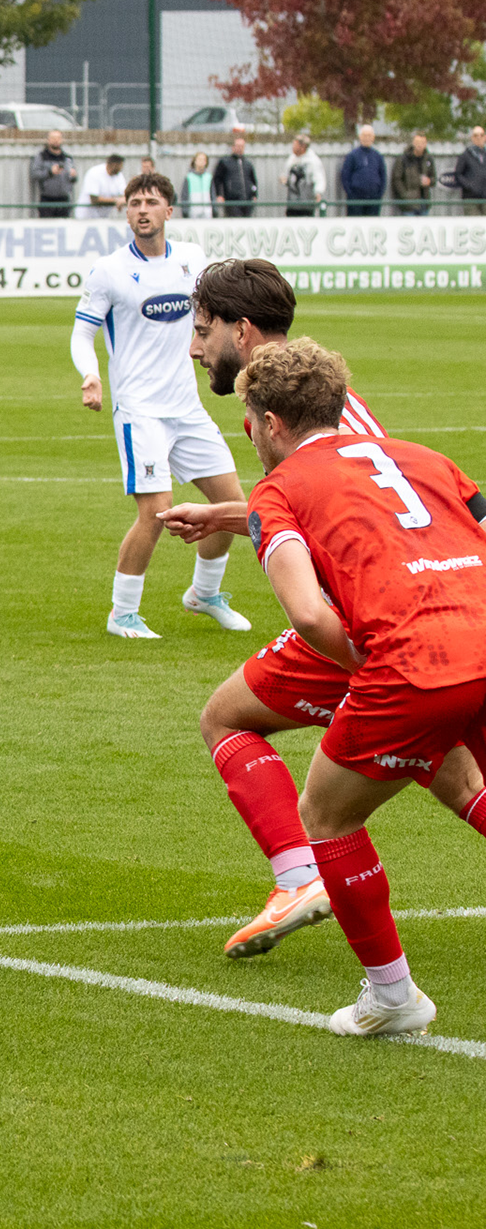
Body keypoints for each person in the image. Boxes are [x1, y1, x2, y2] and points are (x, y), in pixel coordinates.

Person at [159, 259, 483, 961]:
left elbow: (357, 509)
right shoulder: (315, 395)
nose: (194, 348)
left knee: (228, 719)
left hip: (370, 618)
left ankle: (304, 880)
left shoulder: (303, 412)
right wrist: (227, 515)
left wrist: (370, 655)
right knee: (450, 766)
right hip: (432, 614)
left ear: (242, 331)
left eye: (203, 330)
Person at [235, 338, 486, 1036]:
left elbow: (309, 615)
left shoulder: (278, 490)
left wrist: (366, 665)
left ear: (271, 423)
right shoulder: (425, 458)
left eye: (249, 422)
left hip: (414, 660)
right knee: (471, 787)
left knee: (326, 816)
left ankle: (393, 997)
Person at [71, 172, 248, 640]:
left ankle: (204, 595)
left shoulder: (192, 260)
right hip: (139, 410)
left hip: (186, 408)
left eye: (150, 202)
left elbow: (214, 319)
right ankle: (122, 613)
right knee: (156, 510)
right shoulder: (109, 270)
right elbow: (82, 333)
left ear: (169, 211)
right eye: (134, 203)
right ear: (126, 212)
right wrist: (90, 373)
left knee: (233, 505)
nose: (142, 210)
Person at [339, 124, 386, 216]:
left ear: (373, 138)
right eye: (364, 135)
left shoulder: (377, 156)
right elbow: (345, 176)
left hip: (374, 199)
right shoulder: (352, 156)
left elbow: (383, 176)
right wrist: (351, 194)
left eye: (369, 136)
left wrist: (379, 194)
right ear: (360, 137)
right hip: (356, 200)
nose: (367, 138)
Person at [30, 130, 77, 218]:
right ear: (48, 140)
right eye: (53, 138)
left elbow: (73, 179)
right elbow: (35, 174)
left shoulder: (67, 158)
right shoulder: (41, 157)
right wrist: (50, 172)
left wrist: (73, 176)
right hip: (47, 200)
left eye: (58, 138)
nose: (56, 140)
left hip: (64, 201)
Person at [390, 132, 437, 216]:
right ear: (413, 143)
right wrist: (405, 196)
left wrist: (429, 181)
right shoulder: (403, 159)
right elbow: (396, 180)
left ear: (426, 144)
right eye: (417, 142)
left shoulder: (429, 159)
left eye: (422, 142)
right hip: (408, 204)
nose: (420, 145)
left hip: (424, 202)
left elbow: (434, 179)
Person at [282, 132, 325, 218]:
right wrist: (284, 179)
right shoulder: (292, 159)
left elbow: (319, 178)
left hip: (306, 204)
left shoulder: (312, 161)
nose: (293, 147)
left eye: (295, 145)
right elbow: (285, 174)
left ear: (302, 147)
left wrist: (318, 193)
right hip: (292, 203)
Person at [211, 136, 257, 218]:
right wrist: (219, 194)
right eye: (238, 146)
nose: (240, 148)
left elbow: (253, 181)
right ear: (233, 147)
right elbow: (217, 179)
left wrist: (254, 195)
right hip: (232, 201)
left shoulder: (248, 164)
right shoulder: (225, 162)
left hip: (247, 201)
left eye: (242, 146)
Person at [74, 153, 126, 218]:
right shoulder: (94, 173)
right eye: (120, 166)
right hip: (85, 217)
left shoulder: (119, 175)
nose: (121, 168)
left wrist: (122, 200)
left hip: (102, 217)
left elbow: (124, 195)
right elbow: (94, 199)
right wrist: (116, 200)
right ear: (114, 165)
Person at [451, 124, 486, 216]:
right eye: (476, 135)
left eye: (481, 135)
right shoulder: (466, 155)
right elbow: (458, 174)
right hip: (471, 198)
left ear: (485, 137)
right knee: (473, 222)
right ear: (472, 138)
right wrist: (469, 186)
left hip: (485, 197)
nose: (479, 138)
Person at [181, 152, 214, 219]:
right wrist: (185, 211)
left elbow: (212, 194)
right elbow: (184, 195)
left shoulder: (209, 177)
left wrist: (215, 209)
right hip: (193, 211)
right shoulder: (189, 177)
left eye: (204, 160)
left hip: (207, 211)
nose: (201, 162)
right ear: (194, 161)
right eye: (199, 159)